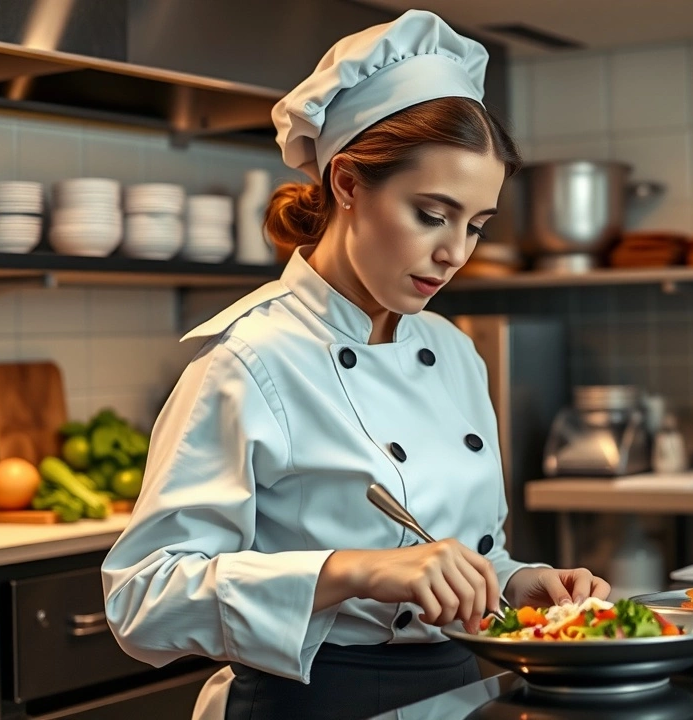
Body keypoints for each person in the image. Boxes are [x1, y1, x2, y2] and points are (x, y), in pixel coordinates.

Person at [100, 10, 610, 720]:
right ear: (347, 183)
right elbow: (141, 597)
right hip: (314, 702)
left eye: (476, 225)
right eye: (431, 214)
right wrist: (351, 570)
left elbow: (447, 555)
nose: (455, 253)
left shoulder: (456, 353)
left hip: (466, 693)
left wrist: (517, 580)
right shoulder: (250, 361)